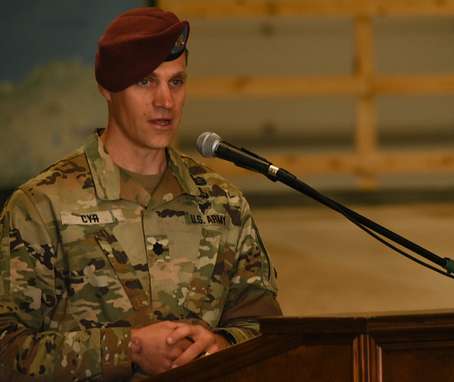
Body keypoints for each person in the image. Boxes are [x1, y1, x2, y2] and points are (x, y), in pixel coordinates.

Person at [0, 7, 281, 381]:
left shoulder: (222, 203)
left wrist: (220, 346)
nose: (165, 100)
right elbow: (7, 349)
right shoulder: (41, 206)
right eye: (146, 82)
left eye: (176, 82)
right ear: (108, 88)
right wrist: (127, 349)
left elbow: (269, 332)